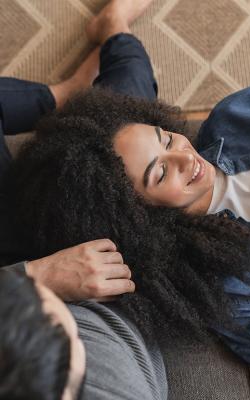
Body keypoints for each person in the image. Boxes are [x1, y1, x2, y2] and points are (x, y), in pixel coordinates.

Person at [6, 0, 250, 390]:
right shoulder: (228, 288)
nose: (183, 157)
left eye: (167, 138)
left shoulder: (237, 116)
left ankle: (111, 31)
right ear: (140, 215)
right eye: (160, 173)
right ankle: (92, 58)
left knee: (129, 81)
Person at [0, 1, 168, 399]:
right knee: (125, 138)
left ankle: (61, 94)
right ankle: (114, 28)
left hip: (16, 268)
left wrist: (35, 275)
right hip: (112, 271)